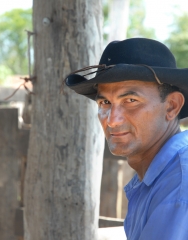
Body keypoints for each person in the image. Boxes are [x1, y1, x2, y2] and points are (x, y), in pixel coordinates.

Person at [65, 38, 188, 240]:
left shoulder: (178, 187)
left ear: (172, 106)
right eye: (105, 102)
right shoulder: (161, 176)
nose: (112, 120)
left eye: (131, 101)